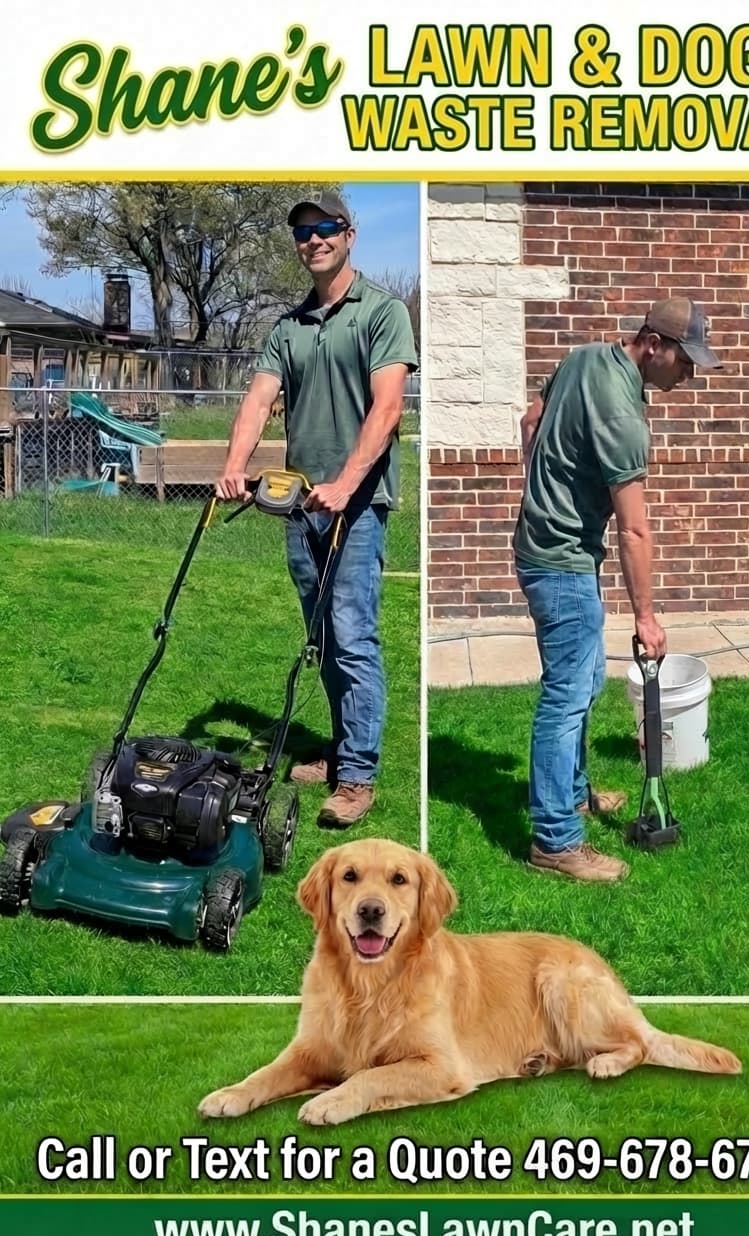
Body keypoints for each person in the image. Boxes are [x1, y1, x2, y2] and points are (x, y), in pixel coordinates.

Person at [216, 192, 418, 828]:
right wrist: (232, 465)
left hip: (355, 508)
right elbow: (256, 403)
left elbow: (388, 410)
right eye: (304, 233)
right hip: (301, 505)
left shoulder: (382, 312)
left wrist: (348, 482)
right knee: (324, 636)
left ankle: (357, 776)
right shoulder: (288, 327)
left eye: (326, 229)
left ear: (349, 235)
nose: (315, 240)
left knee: (354, 634)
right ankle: (338, 753)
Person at [513, 297, 723, 883]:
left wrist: (542, 490)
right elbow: (633, 528)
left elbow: (531, 418)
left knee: (579, 681)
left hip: (541, 545)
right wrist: (647, 619)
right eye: (686, 361)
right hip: (561, 561)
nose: (690, 375)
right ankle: (555, 840)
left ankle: (574, 794)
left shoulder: (583, 359)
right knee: (567, 694)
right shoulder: (624, 418)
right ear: (653, 344)